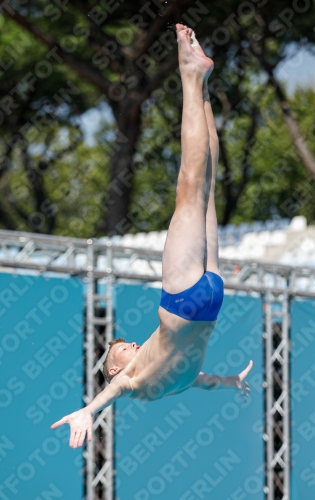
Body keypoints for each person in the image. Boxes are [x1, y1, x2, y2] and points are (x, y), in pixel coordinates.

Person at [51, 24, 253, 449]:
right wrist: (87, 410)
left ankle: (201, 91)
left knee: (205, 184)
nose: (131, 345)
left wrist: (228, 381)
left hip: (210, 300)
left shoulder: (152, 384)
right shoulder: (128, 379)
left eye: (125, 345)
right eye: (122, 348)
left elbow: (202, 381)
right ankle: (191, 76)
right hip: (185, 303)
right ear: (112, 367)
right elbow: (114, 392)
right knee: (190, 183)